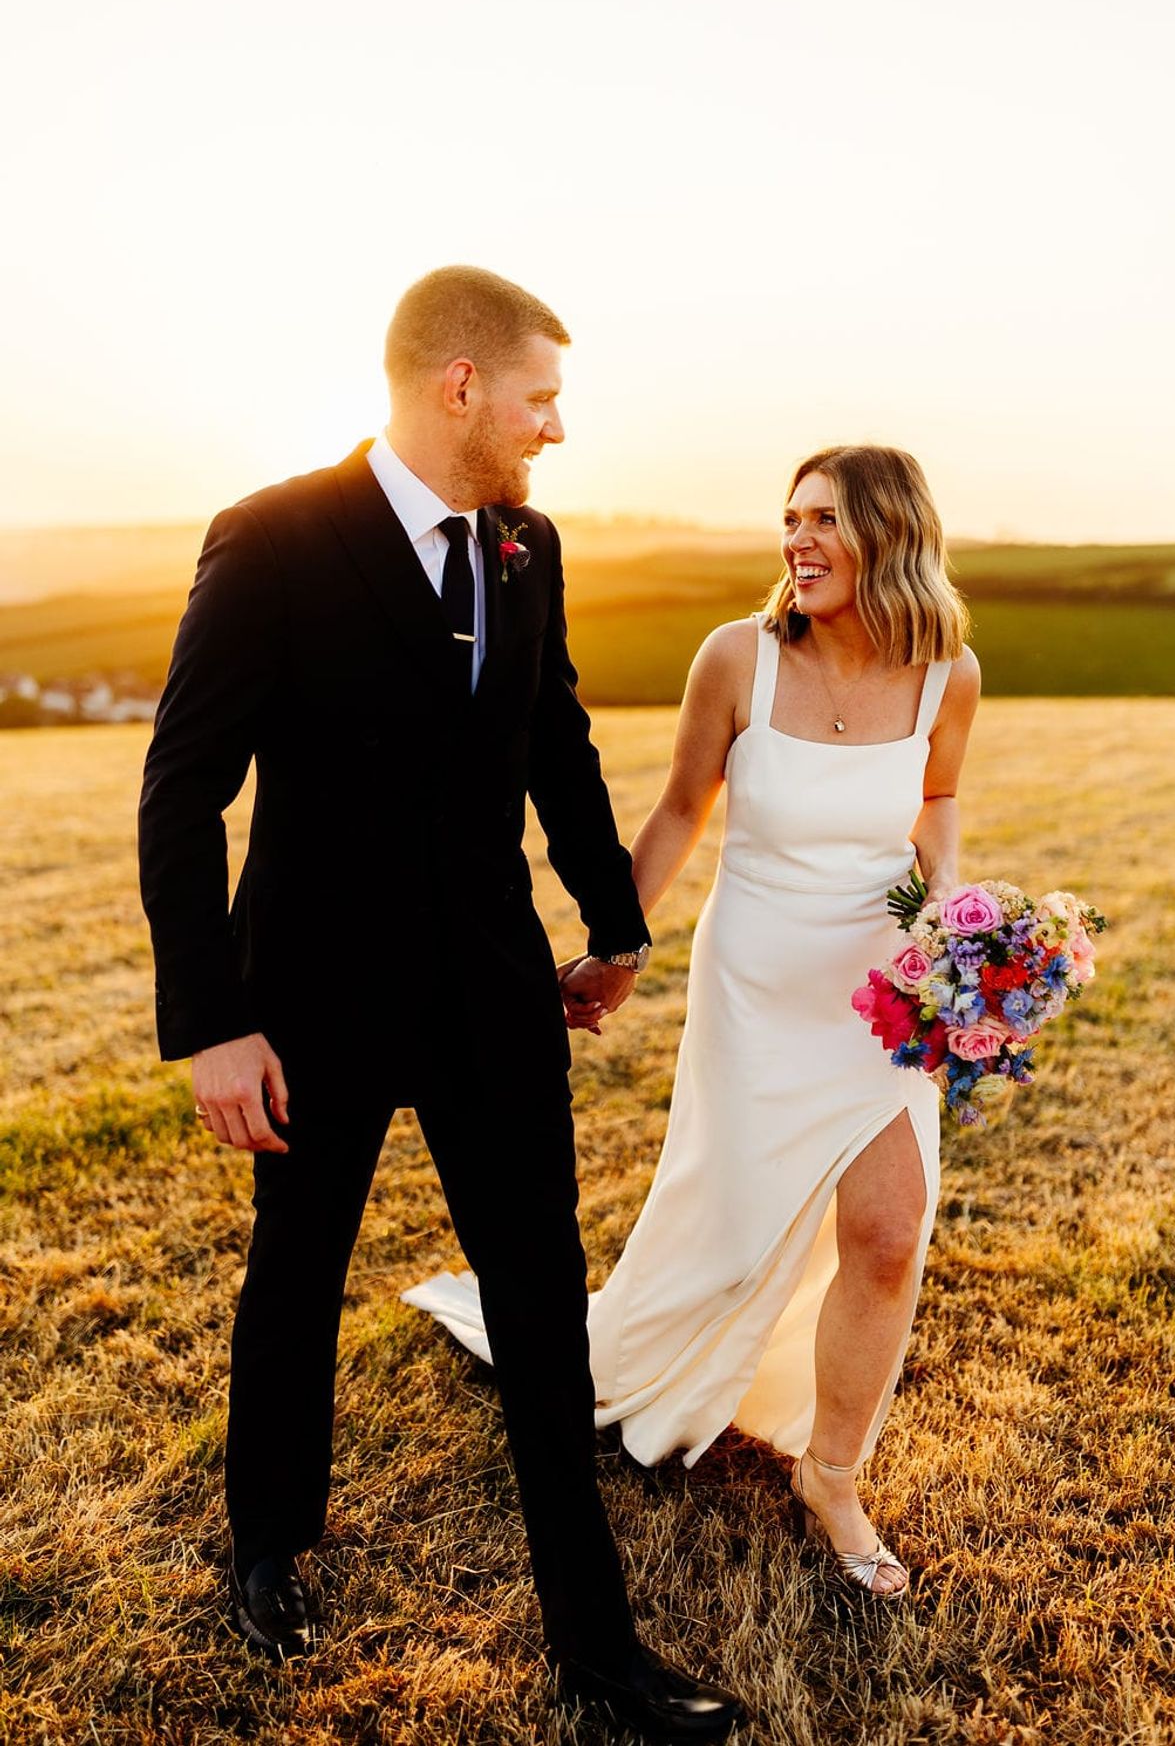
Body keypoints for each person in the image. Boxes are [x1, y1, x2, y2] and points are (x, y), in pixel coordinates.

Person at [138, 265, 743, 1741]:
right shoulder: (273, 538)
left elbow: (558, 746)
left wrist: (613, 922)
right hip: (307, 1003)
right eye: (541, 396)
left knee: (544, 1311)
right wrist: (213, 1022)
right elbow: (182, 795)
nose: (555, 428)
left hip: (491, 996)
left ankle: (600, 1655)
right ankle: (270, 1544)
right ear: (458, 383)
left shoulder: (529, 545)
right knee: (299, 1275)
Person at [406, 443, 980, 1597]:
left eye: (825, 520)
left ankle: (833, 1475)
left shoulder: (946, 672)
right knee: (726, 1229)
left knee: (888, 1228)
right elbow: (677, 812)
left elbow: (939, 800)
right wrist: (620, 945)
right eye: (790, 519)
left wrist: (948, 931)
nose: (797, 542)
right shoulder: (739, 659)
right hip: (756, 985)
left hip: (880, 992)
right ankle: (619, 1356)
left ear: (891, 534)